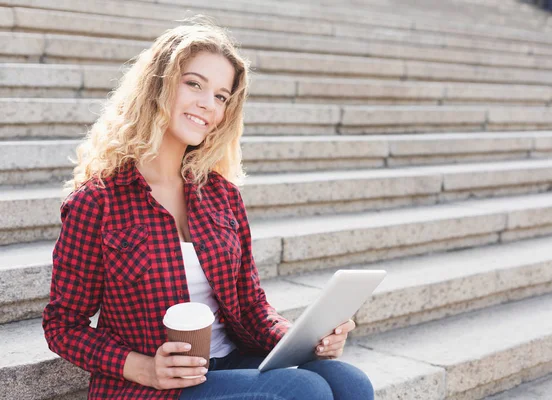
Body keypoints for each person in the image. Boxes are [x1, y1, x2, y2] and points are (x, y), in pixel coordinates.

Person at [42, 17, 375, 400]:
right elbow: (63, 326)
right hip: (156, 388)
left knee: (349, 381)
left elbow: (250, 305)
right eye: (194, 84)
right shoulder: (98, 201)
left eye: (220, 95)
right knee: (305, 390)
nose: (208, 104)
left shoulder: (220, 195)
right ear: (158, 86)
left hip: (229, 363)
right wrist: (144, 367)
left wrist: (302, 340)